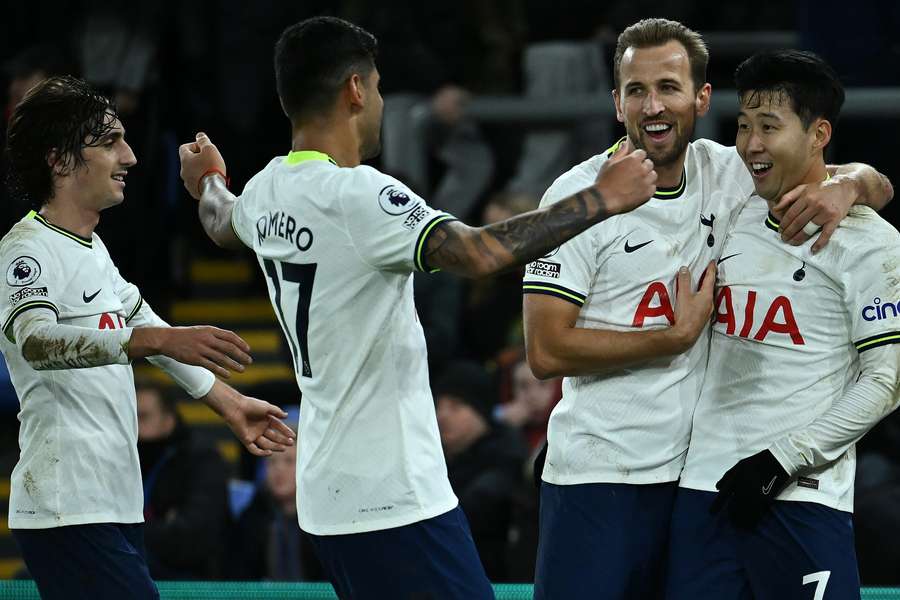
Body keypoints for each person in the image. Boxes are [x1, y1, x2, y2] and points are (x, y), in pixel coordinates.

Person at [178, 16, 658, 600]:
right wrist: (602, 198)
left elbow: (220, 221)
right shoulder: (360, 196)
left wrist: (208, 181)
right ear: (355, 90)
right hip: (391, 493)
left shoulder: (268, 189)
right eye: (377, 87)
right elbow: (479, 253)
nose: (379, 101)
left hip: (326, 493)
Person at [521, 18, 894, 599]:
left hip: (703, 485)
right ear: (616, 103)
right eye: (636, 91)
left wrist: (855, 182)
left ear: (699, 98)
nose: (652, 106)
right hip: (600, 475)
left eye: (668, 87)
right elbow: (544, 351)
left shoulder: (730, 178)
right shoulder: (576, 197)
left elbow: (830, 170)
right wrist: (672, 337)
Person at [1, 75, 295, 600]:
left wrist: (228, 403)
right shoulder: (26, 250)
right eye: (110, 141)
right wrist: (157, 343)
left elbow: (148, 326)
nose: (131, 157)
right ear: (59, 159)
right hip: (66, 505)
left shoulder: (92, 251)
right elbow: (33, 342)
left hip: (111, 502)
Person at [666, 49, 900, 599]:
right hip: (703, 492)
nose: (750, 144)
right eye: (744, 126)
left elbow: (886, 382)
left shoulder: (871, 243)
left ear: (819, 133)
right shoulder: (727, 209)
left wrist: (783, 460)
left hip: (802, 497)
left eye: (769, 127)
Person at [434, 361, 527, 581]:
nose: (442, 415)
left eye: (455, 406)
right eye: (439, 405)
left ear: (481, 412)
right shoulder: (434, 457)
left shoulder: (507, 456)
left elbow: (475, 507)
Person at [136, 381, 230, 579]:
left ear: (168, 420)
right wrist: (163, 526)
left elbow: (193, 538)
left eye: (142, 417)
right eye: (130, 417)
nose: (134, 426)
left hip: (195, 582)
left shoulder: (202, 459)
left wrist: (134, 531)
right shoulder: (123, 459)